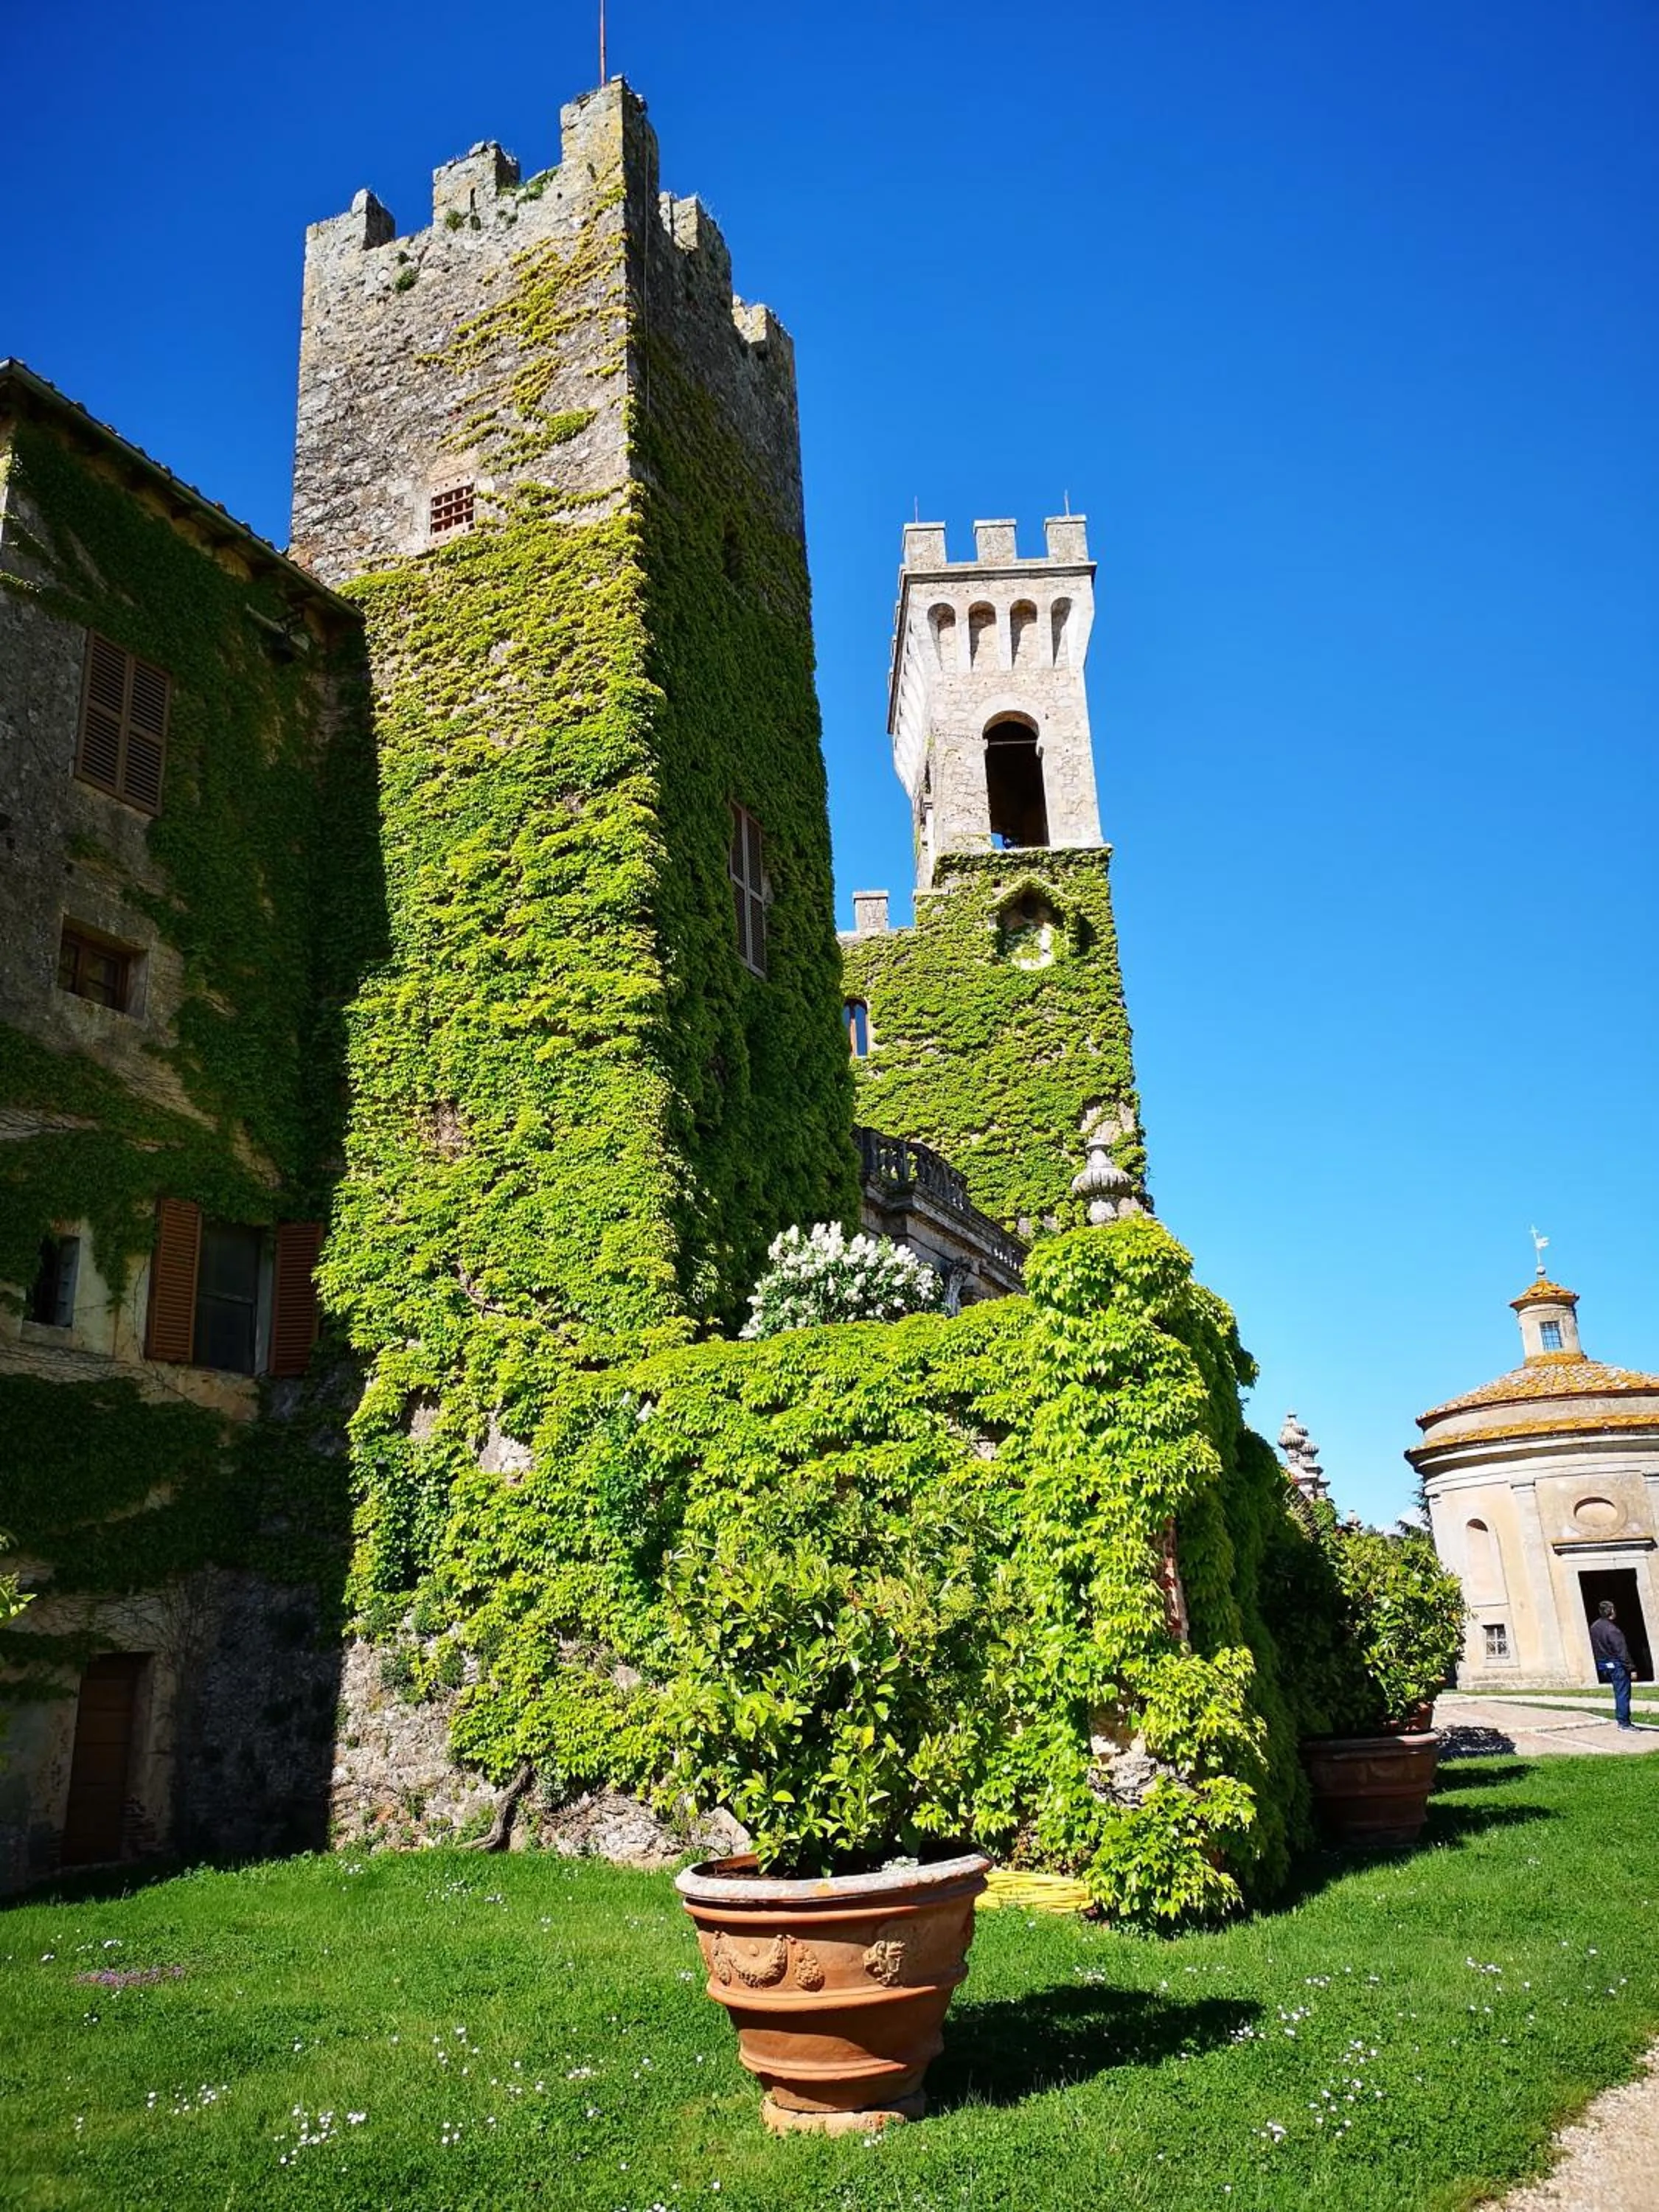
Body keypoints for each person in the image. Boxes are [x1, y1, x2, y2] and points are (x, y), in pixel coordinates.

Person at [1590, 1599, 1636, 1729]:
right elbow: (1622, 1651)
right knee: (1623, 1693)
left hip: (1603, 1665)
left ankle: (1623, 1721)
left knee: (1618, 1692)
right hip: (1617, 1665)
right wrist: (1631, 1668)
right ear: (1611, 1611)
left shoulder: (1594, 1627)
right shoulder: (1613, 1630)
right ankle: (1624, 1723)